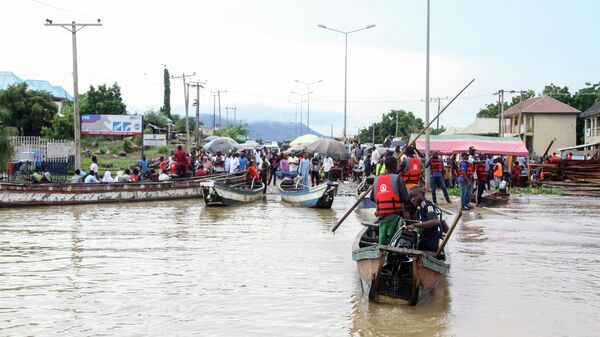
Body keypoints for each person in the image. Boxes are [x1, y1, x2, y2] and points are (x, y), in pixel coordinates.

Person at [369, 156, 411, 245]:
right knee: (394, 242)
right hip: (395, 216)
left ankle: (381, 254)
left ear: (386, 166)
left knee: (382, 243)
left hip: (381, 217)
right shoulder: (397, 178)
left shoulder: (377, 179)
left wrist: (383, 198)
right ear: (395, 166)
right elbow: (405, 198)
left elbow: (372, 198)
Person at [405, 186, 449, 252]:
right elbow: (447, 230)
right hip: (438, 244)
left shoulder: (425, 204)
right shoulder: (436, 208)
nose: (412, 199)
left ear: (423, 194)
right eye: (411, 198)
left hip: (429, 244)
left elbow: (435, 222)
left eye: (414, 196)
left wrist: (414, 225)